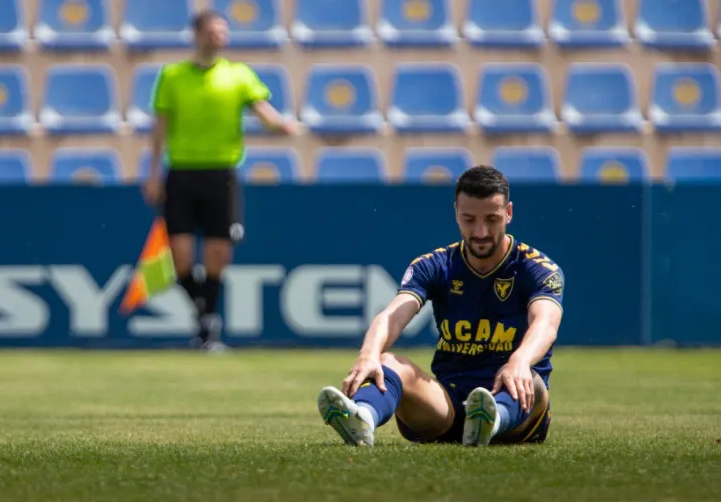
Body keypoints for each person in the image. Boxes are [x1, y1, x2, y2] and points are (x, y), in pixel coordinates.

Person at [317, 165, 565, 447]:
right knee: (386, 361)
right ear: (456, 212)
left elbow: (545, 323)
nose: (480, 231)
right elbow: (393, 316)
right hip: (447, 403)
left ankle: (491, 420)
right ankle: (363, 418)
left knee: (530, 381)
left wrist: (519, 361)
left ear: (508, 213)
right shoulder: (434, 265)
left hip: (516, 404)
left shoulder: (538, 268)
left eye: (492, 219)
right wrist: (368, 354)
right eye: (469, 219)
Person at [142, 9, 296, 352]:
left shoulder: (238, 75)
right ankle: (206, 313)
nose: (219, 37)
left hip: (221, 175)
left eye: (223, 31)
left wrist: (284, 126)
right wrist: (152, 174)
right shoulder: (172, 75)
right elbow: (160, 128)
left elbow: (264, 112)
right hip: (180, 172)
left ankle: (206, 327)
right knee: (180, 255)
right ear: (197, 34)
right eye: (213, 31)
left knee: (217, 252)